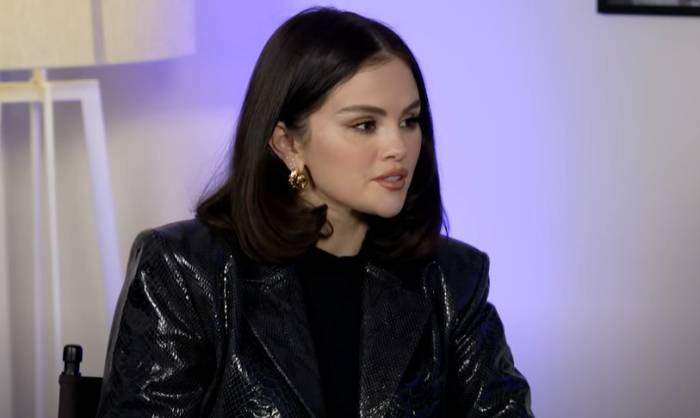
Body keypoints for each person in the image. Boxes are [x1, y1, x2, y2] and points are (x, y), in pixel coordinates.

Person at [96, 7, 534, 418]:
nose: (398, 147)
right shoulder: (184, 270)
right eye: (365, 125)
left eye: (409, 121)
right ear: (287, 143)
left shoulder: (452, 278)